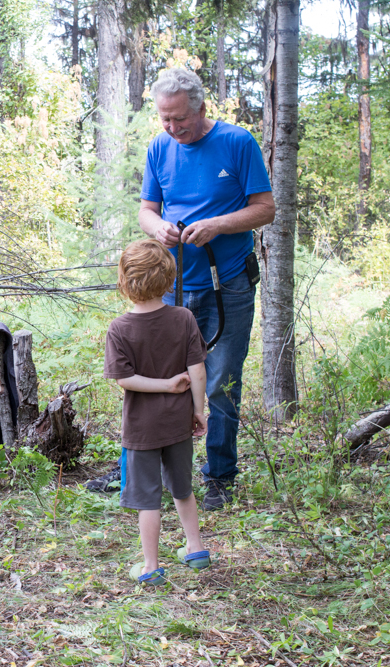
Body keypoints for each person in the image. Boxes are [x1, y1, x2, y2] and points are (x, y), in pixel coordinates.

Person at [137, 67, 275, 510]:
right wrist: (158, 228)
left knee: (219, 382)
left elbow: (265, 209)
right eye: (165, 119)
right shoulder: (160, 147)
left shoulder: (237, 143)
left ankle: (219, 475)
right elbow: (147, 209)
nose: (173, 128)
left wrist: (217, 225)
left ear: (200, 107)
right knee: (163, 379)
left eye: (180, 119)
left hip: (228, 284)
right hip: (173, 287)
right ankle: (152, 471)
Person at [105, 239, 212, 586]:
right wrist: (199, 411)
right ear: (169, 280)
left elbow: (125, 379)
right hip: (179, 422)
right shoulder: (183, 318)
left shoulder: (120, 328)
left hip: (141, 429)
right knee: (183, 487)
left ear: (124, 280)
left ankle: (151, 566)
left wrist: (163, 385)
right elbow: (198, 371)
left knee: (147, 498)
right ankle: (195, 549)